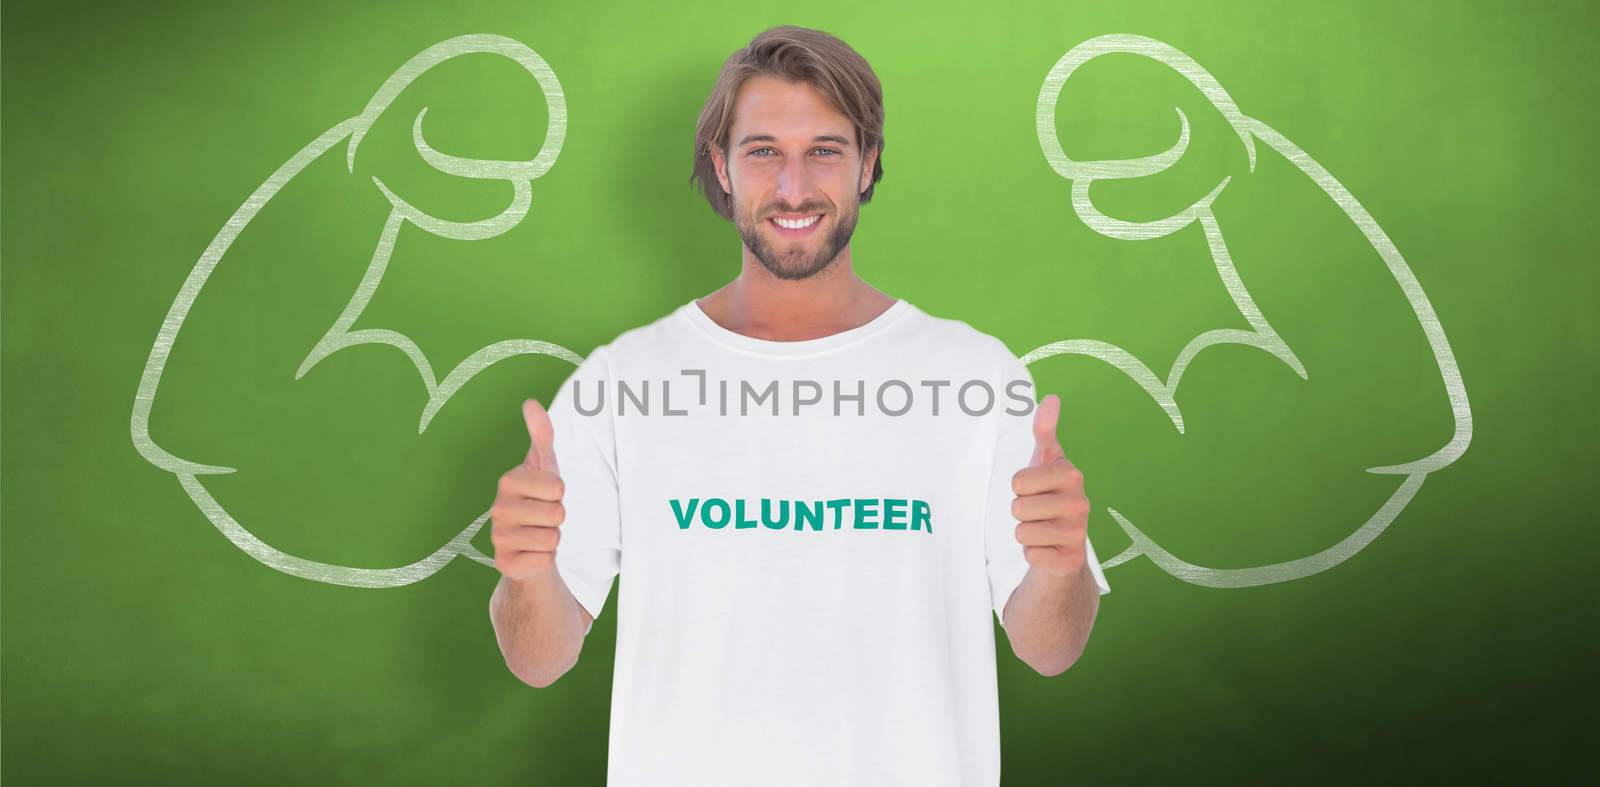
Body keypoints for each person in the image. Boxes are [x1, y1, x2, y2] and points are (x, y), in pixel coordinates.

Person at [487, 25, 1110, 787]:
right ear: (721, 165)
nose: (792, 186)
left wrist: (1057, 565)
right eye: (761, 151)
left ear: (867, 163)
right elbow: (539, 658)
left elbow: (1052, 647)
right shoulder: (622, 382)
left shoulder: (976, 378)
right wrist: (527, 571)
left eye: (824, 149)